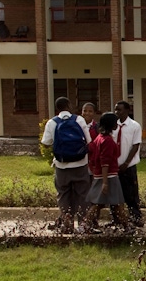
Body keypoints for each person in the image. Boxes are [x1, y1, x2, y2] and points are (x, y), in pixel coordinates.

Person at [40, 97, 92, 234]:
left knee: (63, 194)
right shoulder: (79, 120)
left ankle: (67, 223)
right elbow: (89, 140)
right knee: (82, 194)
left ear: (57, 108)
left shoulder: (52, 122)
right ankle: (82, 224)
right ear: (69, 105)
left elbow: (45, 143)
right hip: (80, 164)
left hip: (62, 165)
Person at [83, 112, 128, 233]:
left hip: (101, 175)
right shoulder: (107, 140)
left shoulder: (99, 138)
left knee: (99, 203)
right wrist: (105, 182)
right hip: (109, 176)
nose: (117, 125)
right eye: (115, 122)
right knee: (115, 203)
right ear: (111, 124)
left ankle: (86, 225)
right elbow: (105, 162)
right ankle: (126, 227)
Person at [113, 101, 144, 228]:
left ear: (127, 110)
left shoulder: (135, 126)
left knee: (131, 194)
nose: (117, 112)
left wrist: (126, 163)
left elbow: (135, 145)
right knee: (115, 194)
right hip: (114, 166)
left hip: (128, 166)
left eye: (119, 110)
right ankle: (116, 218)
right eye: (115, 110)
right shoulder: (113, 125)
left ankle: (135, 217)